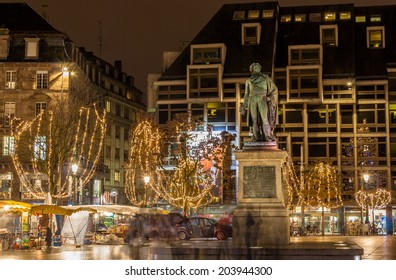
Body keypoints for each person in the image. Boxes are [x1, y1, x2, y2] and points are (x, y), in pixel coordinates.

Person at [240, 62, 278, 142]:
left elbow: (274, 89)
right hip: (252, 100)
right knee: (254, 120)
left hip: (262, 99)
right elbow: (246, 94)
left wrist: (269, 97)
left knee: (265, 119)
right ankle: (256, 136)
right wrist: (244, 105)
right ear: (252, 70)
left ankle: (267, 136)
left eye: (258, 67)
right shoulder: (248, 81)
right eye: (255, 67)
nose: (257, 68)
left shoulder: (266, 78)